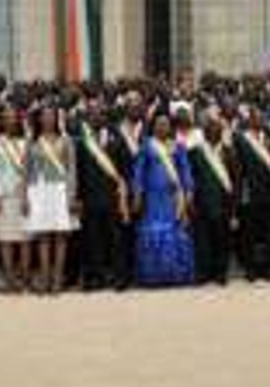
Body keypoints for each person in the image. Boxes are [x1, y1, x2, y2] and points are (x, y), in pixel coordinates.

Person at [130, 112, 195, 287]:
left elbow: (185, 170)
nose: (162, 127)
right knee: (153, 232)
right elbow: (138, 172)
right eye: (159, 124)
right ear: (153, 126)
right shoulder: (147, 146)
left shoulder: (178, 147)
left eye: (166, 124)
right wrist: (137, 192)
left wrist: (189, 190)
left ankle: (175, 276)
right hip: (152, 199)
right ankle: (153, 277)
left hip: (173, 198)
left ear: (170, 127)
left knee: (174, 233)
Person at [74, 104, 132, 290]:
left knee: (116, 239)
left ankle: (119, 277)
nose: (96, 118)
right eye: (92, 115)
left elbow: (125, 168)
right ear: (88, 120)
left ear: (106, 118)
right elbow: (79, 172)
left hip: (113, 197)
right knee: (92, 240)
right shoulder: (82, 142)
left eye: (100, 114)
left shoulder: (117, 139)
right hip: (90, 198)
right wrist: (78, 197)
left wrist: (124, 193)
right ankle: (95, 278)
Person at [25, 105, 78, 294]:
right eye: (44, 116)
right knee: (43, 237)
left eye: (51, 116)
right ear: (39, 120)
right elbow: (27, 172)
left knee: (61, 237)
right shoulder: (33, 142)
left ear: (57, 119)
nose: (48, 119)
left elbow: (72, 170)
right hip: (39, 191)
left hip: (60, 191)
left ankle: (57, 279)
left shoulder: (66, 140)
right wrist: (25, 196)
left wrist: (72, 196)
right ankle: (45, 278)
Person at [188, 109, 237, 285]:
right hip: (202, 204)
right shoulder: (195, 152)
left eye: (217, 129)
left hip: (223, 204)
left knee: (222, 241)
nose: (214, 131)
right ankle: (203, 273)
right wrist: (191, 200)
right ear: (205, 132)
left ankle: (220, 274)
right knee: (202, 241)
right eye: (210, 129)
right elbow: (190, 178)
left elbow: (235, 181)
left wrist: (233, 208)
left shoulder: (230, 152)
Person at [233, 107, 270, 280]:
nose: (260, 121)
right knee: (249, 235)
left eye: (262, 118)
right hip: (250, 193)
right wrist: (241, 194)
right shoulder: (241, 139)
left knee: (267, 234)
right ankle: (250, 269)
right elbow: (238, 170)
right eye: (256, 118)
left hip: (268, 194)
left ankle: (266, 268)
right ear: (250, 120)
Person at [0, 104, 30, 292]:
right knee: (6, 238)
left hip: (24, 195)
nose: (11, 121)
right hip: (4, 196)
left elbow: (31, 171)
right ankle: (10, 278)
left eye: (14, 117)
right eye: (7, 117)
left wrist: (28, 195)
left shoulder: (27, 142)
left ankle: (24, 277)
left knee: (25, 238)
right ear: (2, 121)